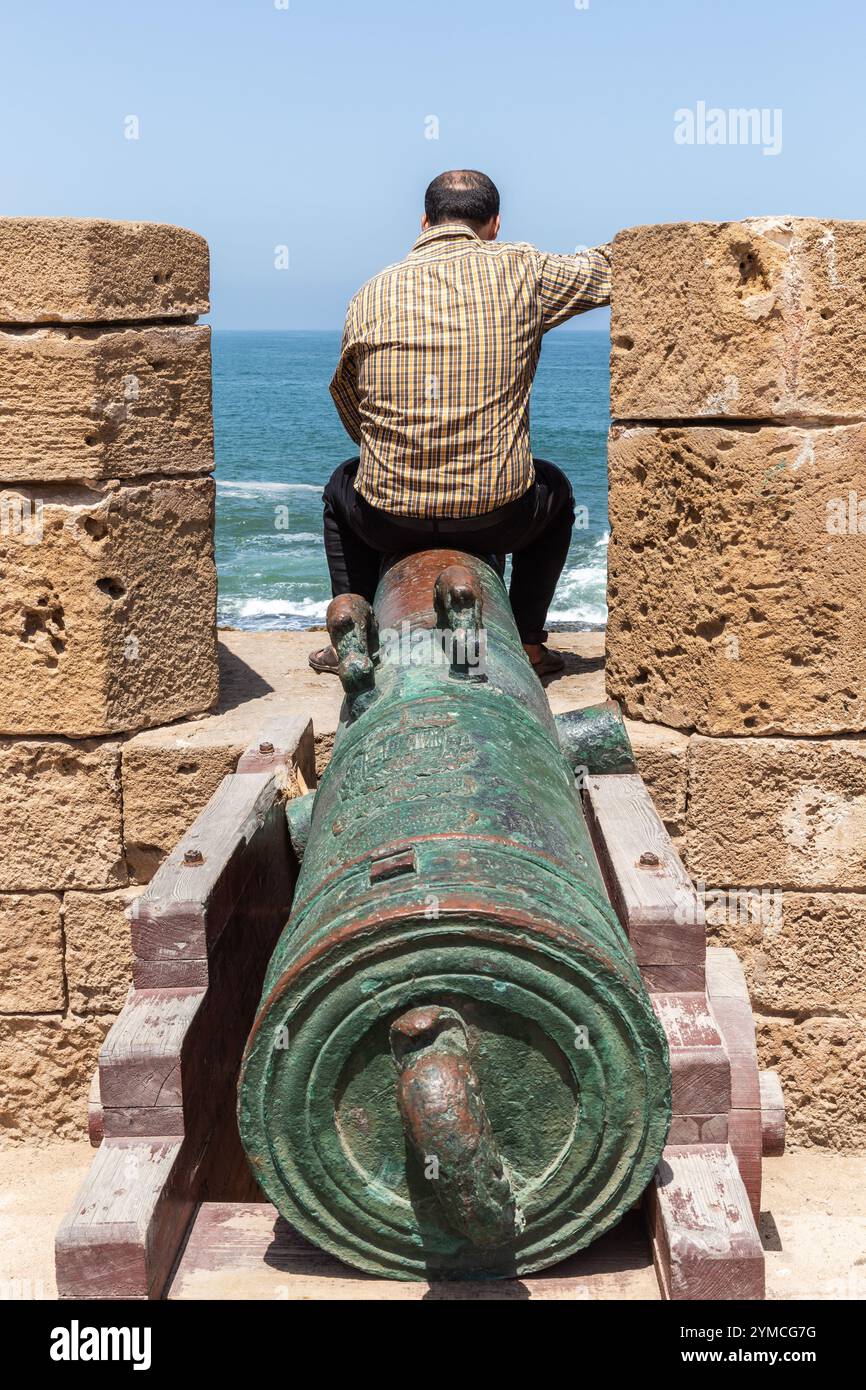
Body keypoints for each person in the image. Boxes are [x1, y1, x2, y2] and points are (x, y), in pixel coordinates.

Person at [309, 169, 611, 677]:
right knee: (554, 490)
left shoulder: (371, 292)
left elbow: (348, 401)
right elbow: (614, 269)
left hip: (388, 521)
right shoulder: (523, 270)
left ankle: (355, 633)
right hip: (498, 516)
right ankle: (530, 643)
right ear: (493, 224)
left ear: (425, 221)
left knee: (341, 486)